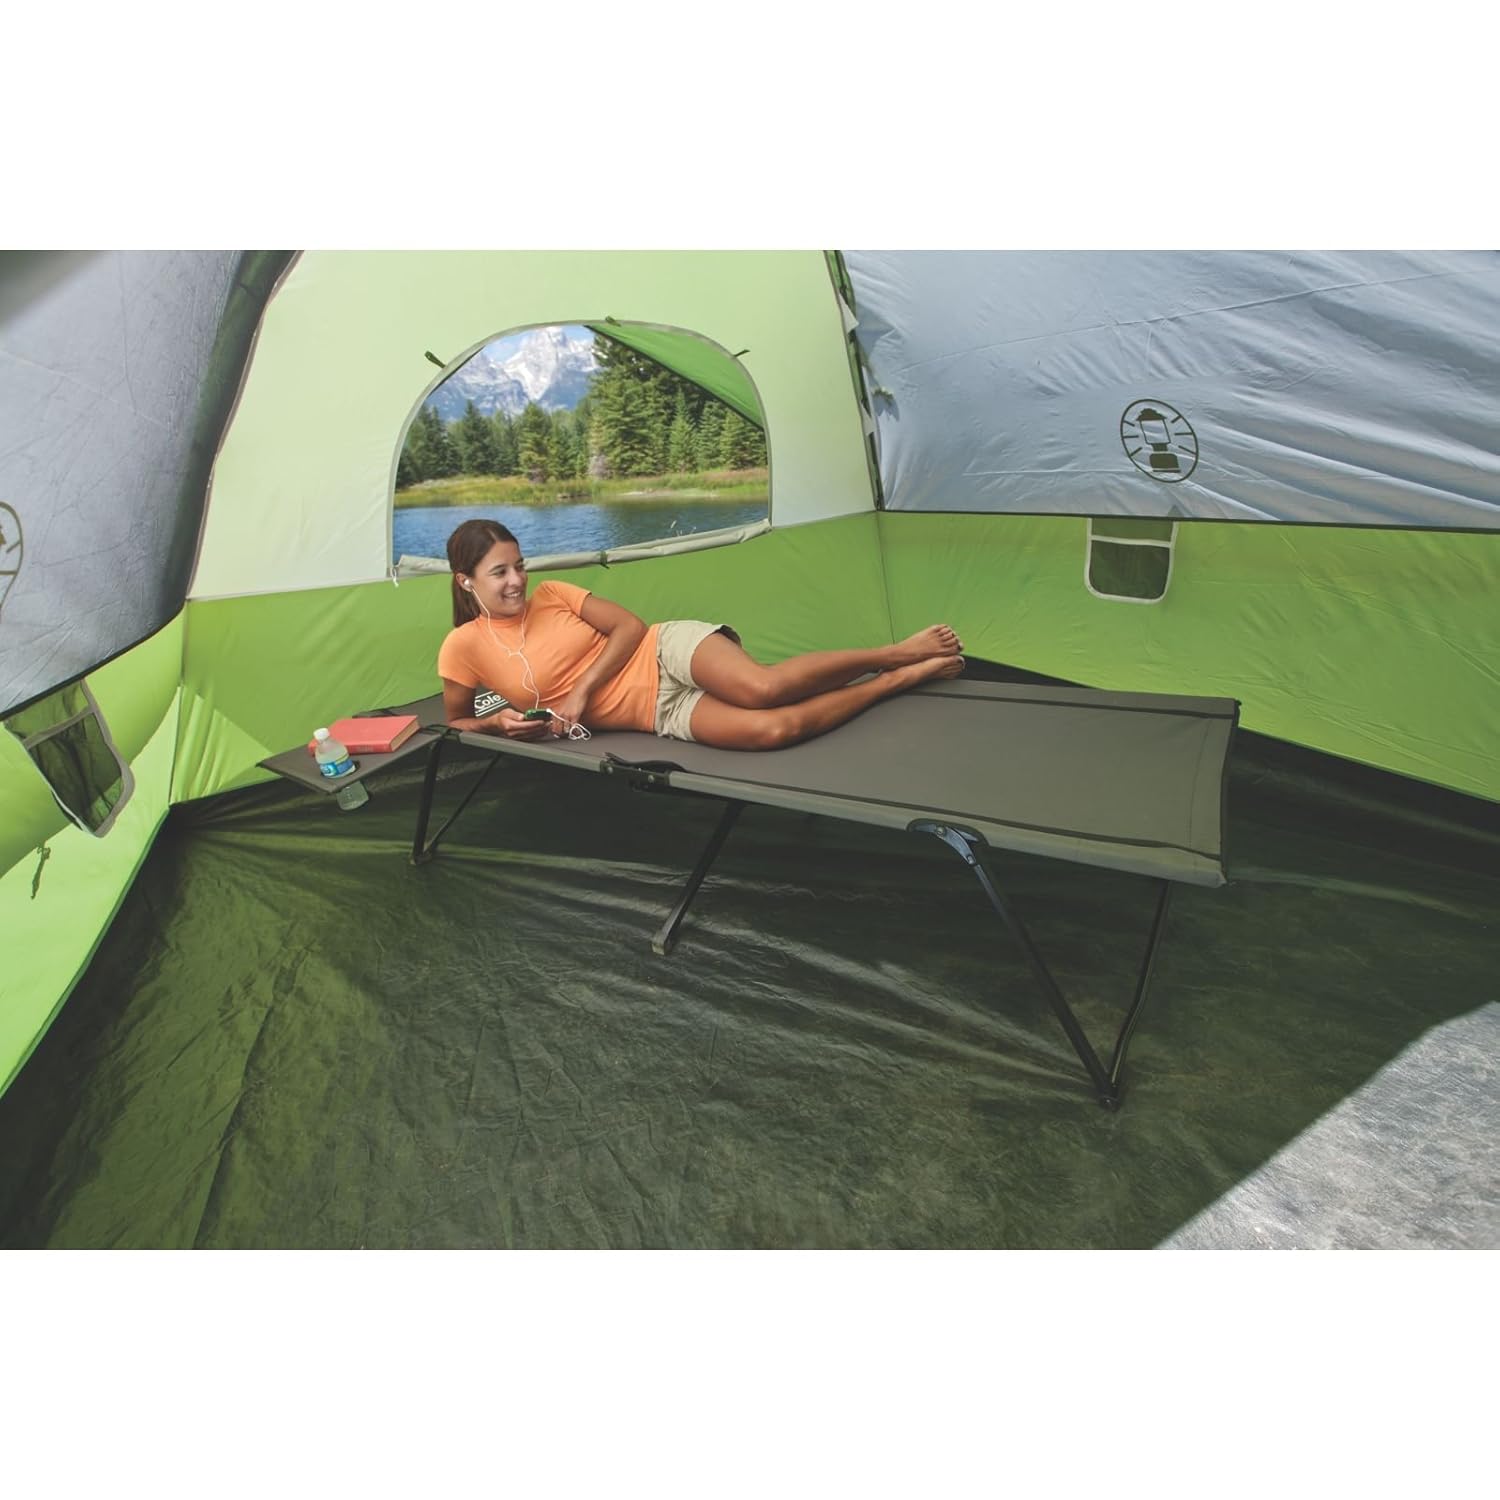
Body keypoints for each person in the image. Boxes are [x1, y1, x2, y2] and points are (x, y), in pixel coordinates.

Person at [437, 519, 964, 750]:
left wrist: (581, 691)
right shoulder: (463, 647)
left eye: (519, 566)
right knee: (773, 731)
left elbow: (630, 627)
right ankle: (892, 682)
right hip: (656, 713)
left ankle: (893, 653)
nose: (517, 581)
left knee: (763, 689)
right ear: (466, 581)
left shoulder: (554, 593)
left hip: (662, 651)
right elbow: (457, 722)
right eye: (500, 573)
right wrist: (498, 724)